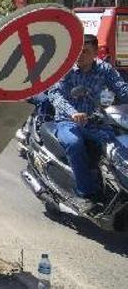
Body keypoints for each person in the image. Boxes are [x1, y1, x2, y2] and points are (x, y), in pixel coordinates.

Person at [50, 34, 128, 211]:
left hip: (96, 122)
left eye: (85, 51)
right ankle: (86, 194)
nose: (80, 55)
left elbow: (122, 89)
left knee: (116, 148)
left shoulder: (105, 69)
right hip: (68, 121)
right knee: (74, 143)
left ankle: (115, 188)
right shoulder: (66, 69)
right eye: (77, 51)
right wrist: (73, 113)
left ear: (95, 54)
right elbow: (56, 94)